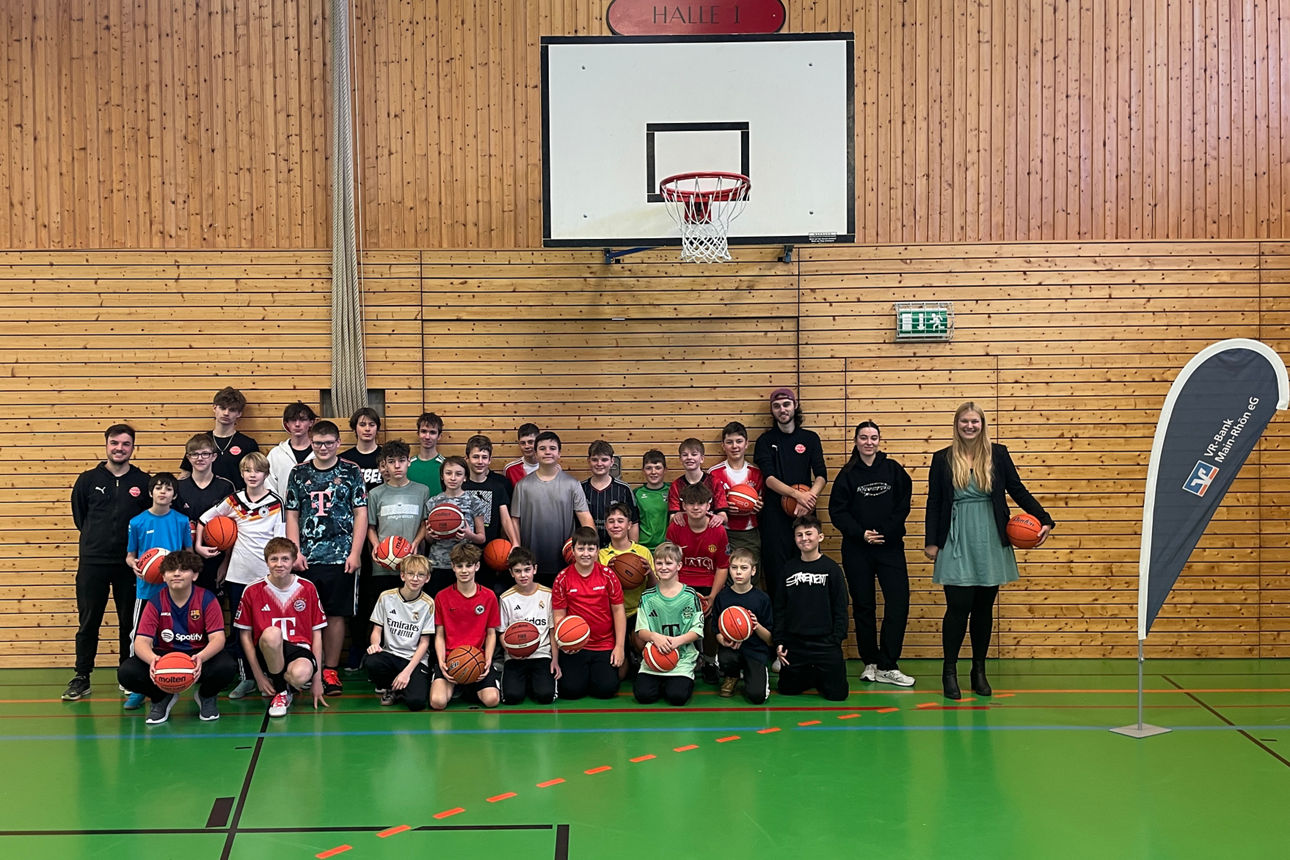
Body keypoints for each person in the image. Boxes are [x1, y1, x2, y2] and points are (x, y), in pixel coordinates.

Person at [925, 402, 1054, 700]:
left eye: (975, 421)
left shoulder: (998, 454)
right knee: (958, 607)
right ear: (956, 424)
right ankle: (949, 672)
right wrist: (932, 540)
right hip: (956, 535)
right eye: (964, 421)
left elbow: (1017, 490)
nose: (969, 426)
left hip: (990, 536)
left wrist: (1045, 518)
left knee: (983, 609)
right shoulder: (942, 458)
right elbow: (934, 501)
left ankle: (978, 671)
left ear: (982, 424)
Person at [64, 424, 150, 702]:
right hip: (93, 562)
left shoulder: (143, 482)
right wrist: (97, 541)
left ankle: (127, 675)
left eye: (125, 444)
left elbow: (147, 521)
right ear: (106, 445)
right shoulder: (87, 480)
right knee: (89, 621)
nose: (119, 448)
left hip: (129, 564)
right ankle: (82, 676)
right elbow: (81, 518)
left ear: (133, 447)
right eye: (114, 443)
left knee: (129, 623)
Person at [284, 420, 368, 697]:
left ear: (338, 443)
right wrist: (295, 551)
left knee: (335, 614)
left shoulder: (351, 471)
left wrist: (355, 552)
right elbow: (292, 514)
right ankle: (307, 666)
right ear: (311, 442)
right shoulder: (299, 472)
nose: (323, 447)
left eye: (329, 443)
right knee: (304, 613)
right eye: (318, 443)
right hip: (307, 557)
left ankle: (330, 670)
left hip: (341, 556)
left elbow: (360, 513)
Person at [828, 420, 915, 687]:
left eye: (873, 437)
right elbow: (837, 511)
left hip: (890, 548)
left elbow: (903, 504)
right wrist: (861, 533)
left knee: (898, 603)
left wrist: (885, 531)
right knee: (864, 606)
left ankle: (888, 664)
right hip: (857, 550)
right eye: (864, 437)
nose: (869, 442)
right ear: (856, 441)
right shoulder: (847, 474)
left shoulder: (893, 470)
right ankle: (871, 663)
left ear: (879, 440)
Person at [199, 451, 285, 699]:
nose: (252, 475)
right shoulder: (233, 500)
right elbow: (205, 520)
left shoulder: (276, 502)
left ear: (266, 474)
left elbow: (279, 540)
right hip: (238, 576)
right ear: (242, 474)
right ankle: (246, 678)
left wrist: (279, 571)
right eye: (247, 471)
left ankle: (272, 674)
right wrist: (199, 546)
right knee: (240, 630)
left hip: (267, 577)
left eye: (257, 471)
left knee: (268, 629)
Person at [117, 549, 236, 724]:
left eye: (184, 569)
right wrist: (153, 660)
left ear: (195, 575)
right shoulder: (155, 602)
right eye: (171, 570)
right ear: (163, 577)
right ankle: (161, 697)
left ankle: (206, 696)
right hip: (164, 656)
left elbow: (218, 639)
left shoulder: (207, 599)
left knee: (227, 667)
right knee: (127, 673)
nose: (177, 573)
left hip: (197, 655)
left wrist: (201, 658)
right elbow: (141, 641)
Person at [233, 538, 328, 718]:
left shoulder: (307, 588)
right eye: (274, 559)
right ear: (266, 561)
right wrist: (258, 676)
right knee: (272, 633)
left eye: (285, 559)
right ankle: (281, 692)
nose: (279, 564)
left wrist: (317, 680)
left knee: (300, 675)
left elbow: (317, 634)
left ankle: (284, 684)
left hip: (299, 649)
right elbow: (245, 635)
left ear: (293, 561)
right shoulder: (252, 590)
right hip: (266, 650)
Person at [123, 472, 194, 709]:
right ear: (150, 492)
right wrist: (135, 564)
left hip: (175, 592)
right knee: (138, 637)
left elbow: (188, 554)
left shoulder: (182, 521)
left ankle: (175, 679)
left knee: (173, 638)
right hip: (147, 590)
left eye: (169, 489)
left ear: (174, 495)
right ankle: (138, 688)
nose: (163, 492)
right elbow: (130, 556)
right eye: (159, 488)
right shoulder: (137, 522)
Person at [754, 387, 827, 597]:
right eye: (776, 406)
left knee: (808, 569)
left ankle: (808, 614)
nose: (782, 409)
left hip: (805, 513)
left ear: (795, 406)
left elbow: (821, 475)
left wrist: (809, 498)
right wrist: (797, 496)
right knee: (777, 572)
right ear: (772, 411)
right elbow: (769, 479)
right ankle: (779, 617)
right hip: (774, 516)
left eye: (786, 404)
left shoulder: (810, 438)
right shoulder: (765, 441)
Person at [362, 440, 429, 660]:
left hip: (412, 564)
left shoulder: (422, 490)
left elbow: (424, 523)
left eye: (401, 460)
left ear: (409, 462)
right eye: (391, 461)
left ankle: (411, 657)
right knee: (383, 615)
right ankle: (379, 657)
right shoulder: (375, 494)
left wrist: (416, 542)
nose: (397, 466)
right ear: (384, 464)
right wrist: (376, 546)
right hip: (383, 565)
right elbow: (371, 527)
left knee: (409, 613)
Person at [773, 515, 849, 702]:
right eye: (799, 535)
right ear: (794, 539)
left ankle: (820, 674)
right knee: (787, 689)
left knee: (838, 695)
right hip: (796, 642)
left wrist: (836, 639)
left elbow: (841, 607)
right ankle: (811, 675)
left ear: (820, 537)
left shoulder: (832, 569)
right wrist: (780, 640)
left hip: (825, 643)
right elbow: (780, 607)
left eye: (809, 533)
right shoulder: (788, 569)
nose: (804, 538)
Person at [664, 481, 729, 683]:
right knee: (677, 616)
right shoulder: (676, 526)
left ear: (709, 505)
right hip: (681, 583)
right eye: (691, 503)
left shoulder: (718, 530)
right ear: (683, 505)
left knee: (711, 621)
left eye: (700, 503)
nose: (696, 507)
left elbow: (722, 567)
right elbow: (669, 563)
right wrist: (677, 594)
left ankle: (709, 661)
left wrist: (713, 597)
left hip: (709, 584)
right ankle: (685, 657)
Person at [510, 431, 594, 585]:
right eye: (542, 448)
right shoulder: (522, 486)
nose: (547, 452)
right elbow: (515, 520)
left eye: (552, 448)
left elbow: (585, 518)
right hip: (530, 563)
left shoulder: (572, 484)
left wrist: (592, 549)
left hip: (564, 560)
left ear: (559, 453)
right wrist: (518, 550)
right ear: (535, 454)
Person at [552, 527, 625, 700]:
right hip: (576, 645)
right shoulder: (562, 578)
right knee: (571, 691)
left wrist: (619, 647)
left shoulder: (608, 575)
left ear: (597, 551)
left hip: (604, 643)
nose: (586, 553)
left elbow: (618, 611)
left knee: (606, 690)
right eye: (581, 548)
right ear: (573, 551)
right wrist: (565, 642)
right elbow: (559, 615)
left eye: (591, 549)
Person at [430, 543, 501, 710]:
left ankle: (467, 687)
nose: (464, 570)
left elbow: (491, 634)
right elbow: (439, 635)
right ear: (453, 567)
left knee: (492, 700)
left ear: (477, 566)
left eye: (469, 565)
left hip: (477, 659)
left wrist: (487, 661)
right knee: (437, 703)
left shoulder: (489, 596)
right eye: (459, 566)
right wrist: (441, 662)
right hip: (451, 660)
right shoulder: (441, 596)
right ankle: (458, 686)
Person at [633, 542, 704, 706]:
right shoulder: (647, 597)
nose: (663, 567)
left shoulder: (690, 595)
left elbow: (697, 630)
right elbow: (641, 630)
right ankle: (661, 680)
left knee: (677, 697)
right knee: (643, 696)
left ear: (679, 565)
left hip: (682, 658)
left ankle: (680, 679)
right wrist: (654, 637)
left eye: (668, 563)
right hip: (654, 656)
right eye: (659, 563)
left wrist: (678, 641)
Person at [365, 554, 435, 711]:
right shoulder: (386, 597)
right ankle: (391, 688)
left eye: (420, 575)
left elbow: (424, 642)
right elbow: (377, 630)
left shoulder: (428, 603)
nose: (415, 578)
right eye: (411, 574)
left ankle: (405, 686)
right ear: (403, 575)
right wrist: (375, 644)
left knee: (416, 703)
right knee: (372, 661)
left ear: (427, 578)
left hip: (414, 660)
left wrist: (406, 672)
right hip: (391, 655)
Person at [599, 502, 655, 678]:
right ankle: (627, 654)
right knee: (620, 675)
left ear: (629, 525)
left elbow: (654, 589)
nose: (615, 525)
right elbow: (599, 592)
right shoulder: (600, 556)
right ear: (606, 525)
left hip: (639, 611)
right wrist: (607, 573)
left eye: (620, 521)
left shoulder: (643, 552)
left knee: (640, 642)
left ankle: (637, 654)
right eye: (611, 521)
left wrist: (650, 573)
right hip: (613, 614)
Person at [711, 546, 773, 702]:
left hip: (755, 651)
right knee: (725, 658)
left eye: (744, 568)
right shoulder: (722, 597)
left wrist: (756, 625)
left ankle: (751, 673)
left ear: (753, 571)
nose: (738, 572)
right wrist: (723, 641)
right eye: (734, 567)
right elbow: (716, 631)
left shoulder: (762, 599)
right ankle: (732, 675)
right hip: (731, 651)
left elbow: (770, 639)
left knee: (757, 697)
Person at [462, 434, 521, 593]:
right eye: (475, 457)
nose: (480, 461)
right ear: (467, 459)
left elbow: (506, 519)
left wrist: (515, 542)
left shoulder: (498, 486)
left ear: (490, 460)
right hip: (464, 550)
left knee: (487, 591)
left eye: (484, 457)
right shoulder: (461, 486)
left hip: (490, 551)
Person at [177, 433, 236, 592]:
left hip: (216, 557)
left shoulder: (225, 487)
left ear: (214, 456)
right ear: (188, 458)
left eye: (205, 454)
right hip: (185, 560)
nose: (200, 458)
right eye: (194, 454)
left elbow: (233, 527)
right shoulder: (178, 487)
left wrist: (226, 563)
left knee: (212, 604)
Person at [498, 546, 557, 705]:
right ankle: (525, 682)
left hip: (541, 654)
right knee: (512, 697)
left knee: (545, 696)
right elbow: (502, 632)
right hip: (515, 656)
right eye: (517, 571)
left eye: (527, 570)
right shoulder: (506, 598)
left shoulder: (548, 594)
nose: (523, 575)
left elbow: (552, 631)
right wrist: (511, 651)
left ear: (534, 569)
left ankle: (534, 682)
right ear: (511, 573)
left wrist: (555, 660)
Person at [424, 456, 487, 595]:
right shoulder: (433, 502)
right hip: (438, 563)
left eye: (458, 474)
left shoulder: (474, 501)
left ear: (465, 477)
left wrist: (469, 535)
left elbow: (482, 538)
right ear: (442, 476)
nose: (453, 478)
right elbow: (428, 540)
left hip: (465, 565)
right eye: (448, 473)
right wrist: (430, 535)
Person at [178, 386, 259, 491]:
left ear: (239, 413)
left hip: (237, 498)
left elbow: (258, 476)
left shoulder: (248, 444)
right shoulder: (199, 442)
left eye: (232, 410)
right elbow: (185, 474)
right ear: (214, 408)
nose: (226, 413)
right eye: (222, 408)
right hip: (204, 498)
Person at [582, 439, 638, 545]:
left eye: (604, 460)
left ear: (612, 461)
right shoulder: (580, 489)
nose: (599, 464)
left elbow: (633, 522)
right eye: (594, 460)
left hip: (618, 549)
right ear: (588, 461)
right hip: (588, 548)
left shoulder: (624, 489)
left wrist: (633, 550)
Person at [666, 438, 728, 527]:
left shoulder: (714, 482)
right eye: (685, 455)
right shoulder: (676, 485)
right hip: (686, 532)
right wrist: (677, 515)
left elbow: (724, 516)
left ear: (702, 458)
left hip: (709, 530)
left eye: (694, 454)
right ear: (680, 459)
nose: (689, 457)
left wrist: (720, 517)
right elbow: (672, 518)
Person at [267, 401, 317, 496]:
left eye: (302, 420)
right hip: (283, 504)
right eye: (293, 420)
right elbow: (268, 486)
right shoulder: (276, 454)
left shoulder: (320, 453)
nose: (297, 424)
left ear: (311, 422)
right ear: (287, 424)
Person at [340, 407, 384, 491]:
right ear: (355, 428)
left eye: (372, 425)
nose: (367, 429)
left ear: (377, 428)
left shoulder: (387, 457)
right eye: (362, 425)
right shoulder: (344, 459)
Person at [634, 450, 669, 551]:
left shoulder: (672, 491)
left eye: (658, 468)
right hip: (643, 547)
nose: (653, 472)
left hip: (666, 548)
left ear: (665, 470)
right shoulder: (637, 493)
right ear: (643, 470)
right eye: (649, 468)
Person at [407, 411, 445, 494]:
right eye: (423, 431)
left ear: (439, 436)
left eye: (432, 432)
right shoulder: (408, 465)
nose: (427, 437)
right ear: (418, 434)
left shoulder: (446, 465)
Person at [503, 422, 540, 487]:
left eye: (530, 442)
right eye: (523, 443)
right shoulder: (510, 469)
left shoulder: (550, 467)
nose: (527, 446)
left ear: (538, 442)